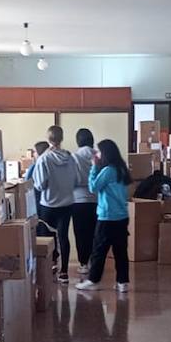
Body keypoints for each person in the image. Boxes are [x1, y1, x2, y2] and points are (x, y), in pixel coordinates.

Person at [76, 139, 131, 293]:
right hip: (122, 216)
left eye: (99, 152)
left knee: (99, 250)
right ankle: (123, 282)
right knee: (121, 251)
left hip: (107, 217)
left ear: (105, 153)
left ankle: (93, 280)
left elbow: (93, 187)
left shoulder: (108, 171)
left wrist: (94, 167)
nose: (97, 155)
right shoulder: (121, 169)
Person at [28, 126, 80, 282]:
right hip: (68, 203)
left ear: (48, 139)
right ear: (62, 138)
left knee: (47, 237)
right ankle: (64, 272)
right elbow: (76, 180)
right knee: (63, 236)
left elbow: (40, 185)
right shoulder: (70, 157)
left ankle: (50, 265)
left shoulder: (44, 158)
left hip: (48, 204)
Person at [70, 129, 99, 275]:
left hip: (78, 200)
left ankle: (83, 263)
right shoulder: (98, 155)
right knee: (95, 232)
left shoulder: (74, 157)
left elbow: (72, 180)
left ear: (78, 141)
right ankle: (95, 261)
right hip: (97, 199)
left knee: (81, 233)